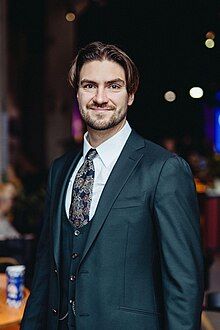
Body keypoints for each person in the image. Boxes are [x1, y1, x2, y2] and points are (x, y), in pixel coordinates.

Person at [21, 41, 204, 330]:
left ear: (130, 95)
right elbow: (45, 270)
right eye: (90, 85)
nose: (100, 97)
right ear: (77, 93)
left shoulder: (164, 169)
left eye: (114, 86)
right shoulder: (61, 170)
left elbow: (184, 283)